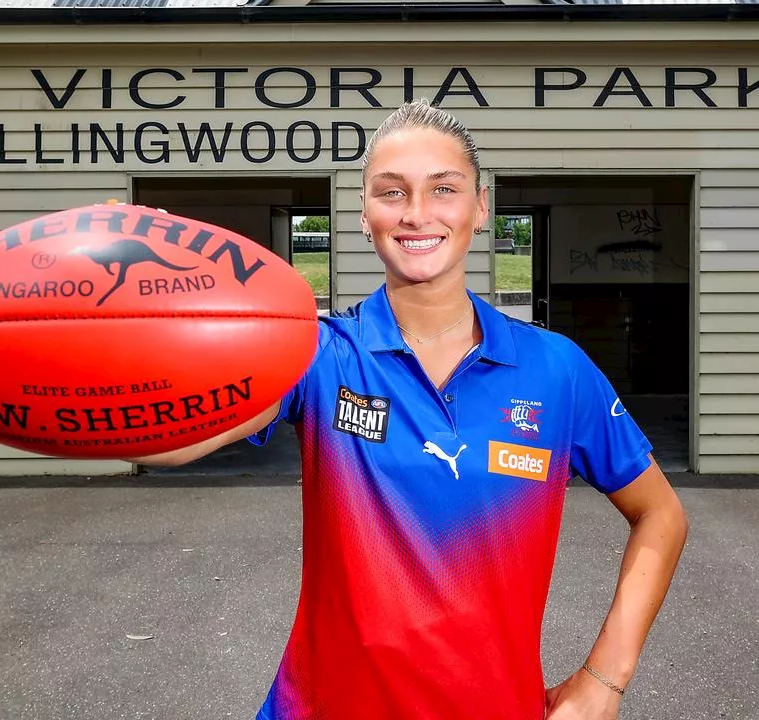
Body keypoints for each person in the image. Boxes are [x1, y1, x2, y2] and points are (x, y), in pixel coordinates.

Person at [132, 98, 689, 720]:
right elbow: (165, 440)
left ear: (481, 209)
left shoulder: (556, 369)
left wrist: (604, 679)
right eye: (391, 192)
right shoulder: (318, 354)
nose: (416, 214)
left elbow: (661, 516)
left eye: (443, 189)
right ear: (364, 213)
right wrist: (128, 284)